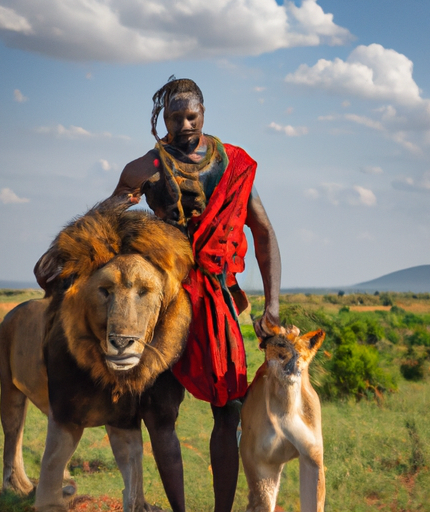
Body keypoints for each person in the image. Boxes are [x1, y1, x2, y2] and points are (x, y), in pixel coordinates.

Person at [111, 77, 281, 512]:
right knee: (158, 409)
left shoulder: (233, 164)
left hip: (216, 302)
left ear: (204, 113)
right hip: (166, 300)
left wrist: (272, 304)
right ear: (162, 118)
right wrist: (105, 215)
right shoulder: (147, 168)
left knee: (229, 408)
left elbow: (262, 234)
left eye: (191, 115)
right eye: (174, 117)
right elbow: (109, 212)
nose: (184, 124)